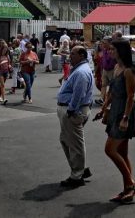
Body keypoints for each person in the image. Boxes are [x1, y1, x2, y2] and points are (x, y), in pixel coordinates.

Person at [95, 39, 135, 204]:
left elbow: (131, 96)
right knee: (122, 153)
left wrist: (125, 118)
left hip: (125, 113)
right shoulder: (116, 67)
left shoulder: (129, 71)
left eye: (112, 49)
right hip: (115, 111)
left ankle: (131, 184)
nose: (109, 52)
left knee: (110, 149)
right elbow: (112, 91)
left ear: (120, 51)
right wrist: (104, 107)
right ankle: (128, 189)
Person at [57, 45, 94, 188]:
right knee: (66, 140)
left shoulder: (81, 72)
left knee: (75, 143)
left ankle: (77, 175)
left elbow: (79, 94)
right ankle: (80, 168)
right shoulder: (79, 70)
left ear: (82, 55)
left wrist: (71, 110)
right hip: (71, 109)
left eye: (73, 54)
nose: (69, 56)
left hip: (73, 111)